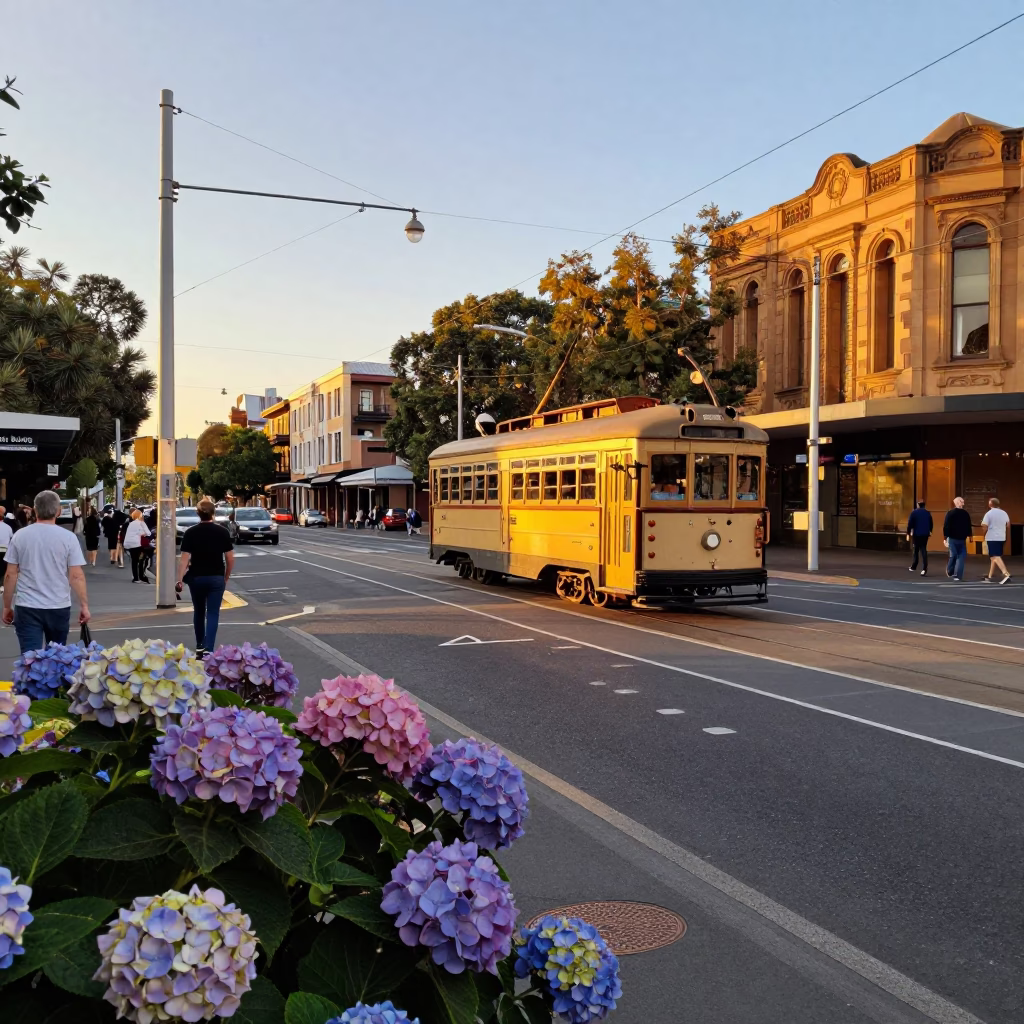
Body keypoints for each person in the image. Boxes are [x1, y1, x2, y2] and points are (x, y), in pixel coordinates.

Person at [2, 490, 90, 654]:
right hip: (58, 605)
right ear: (58, 511)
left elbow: (10, 574)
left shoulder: (20, 536)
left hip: (27, 606)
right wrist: (84, 605)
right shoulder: (68, 538)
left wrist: (7, 606)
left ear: (35, 510)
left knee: (29, 659)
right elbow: (76, 576)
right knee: (56, 659)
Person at [176, 498, 234, 656]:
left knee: (199, 611)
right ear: (213, 513)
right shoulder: (222, 532)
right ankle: (209, 648)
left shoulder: (190, 533)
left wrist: (179, 579)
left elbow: (184, 559)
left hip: (196, 578)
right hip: (216, 577)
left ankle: (200, 644)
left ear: (198, 514)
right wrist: (225, 576)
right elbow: (230, 558)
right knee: (213, 613)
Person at [980, 497, 1011, 584]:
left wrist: (984, 535)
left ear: (990, 504)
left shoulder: (989, 513)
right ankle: (990, 576)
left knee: (995, 556)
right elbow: (1008, 525)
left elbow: (984, 526)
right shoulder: (1004, 513)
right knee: (993, 557)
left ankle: (1006, 574)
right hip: (1002, 537)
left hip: (992, 537)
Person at [942, 497, 972, 582]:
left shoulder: (950, 513)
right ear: (958, 502)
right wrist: (970, 536)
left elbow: (946, 526)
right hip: (962, 538)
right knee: (961, 557)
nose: (963, 503)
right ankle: (958, 575)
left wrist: (945, 538)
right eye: (962, 502)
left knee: (953, 555)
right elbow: (968, 526)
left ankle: (950, 570)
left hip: (952, 538)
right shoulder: (966, 513)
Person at [123, 509, 152, 584]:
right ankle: (141, 576)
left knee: (134, 561)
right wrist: (143, 534)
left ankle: (135, 578)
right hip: (138, 543)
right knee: (141, 561)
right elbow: (148, 533)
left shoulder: (131, 523)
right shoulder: (141, 523)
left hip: (130, 544)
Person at [906, 500, 933, 576]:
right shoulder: (928, 513)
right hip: (925, 534)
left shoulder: (914, 512)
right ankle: (924, 568)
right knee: (923, 549)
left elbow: (910, 523)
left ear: (918, 505)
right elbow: (931, 523)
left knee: (916, 550)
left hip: (917, 534)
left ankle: (914, 566)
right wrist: (930, 531)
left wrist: (908, 533)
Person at [0, 507, 11, 594]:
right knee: (3, 569)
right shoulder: (8, 527)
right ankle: (2, 585)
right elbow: (11, 538)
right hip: (5, 551)